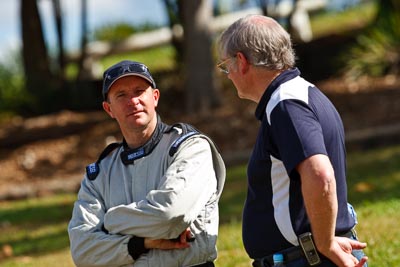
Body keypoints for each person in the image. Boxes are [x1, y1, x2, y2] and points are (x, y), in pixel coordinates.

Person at [216, 15, 368, 267]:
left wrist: (326, 243)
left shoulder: (286, 104)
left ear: (241, 61)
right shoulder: (302, 94)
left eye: (226, 66)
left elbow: (319, 173)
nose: (228, 75)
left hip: (308, 260)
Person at [68, 60, 226, 267]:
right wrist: (140, 244)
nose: (132, 101)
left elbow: (170, 215)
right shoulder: (101, 173)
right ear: (109, 109)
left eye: (139, 91)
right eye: (121, 95)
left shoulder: (190, 148)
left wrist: (109, 221)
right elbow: (82, 250)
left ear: (155, 97)